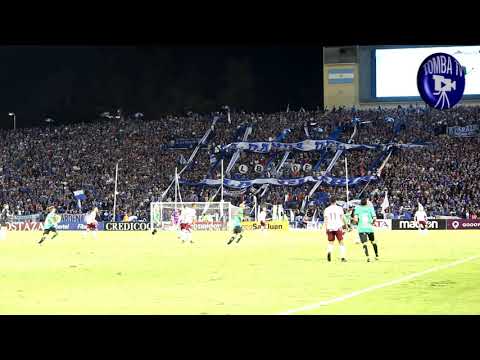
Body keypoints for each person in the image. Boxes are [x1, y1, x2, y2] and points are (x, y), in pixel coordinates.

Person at [353, 197, 379, 262]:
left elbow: (355, 219)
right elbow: (374, 218)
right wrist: (373, 223)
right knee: (373, 242)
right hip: (369, 228)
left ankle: (368, 257)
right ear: (367, 202)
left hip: (361, 228)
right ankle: (376, 255)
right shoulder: (370, 208)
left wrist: (355, 222)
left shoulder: (357, 208)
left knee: (364, 243)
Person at [323, 197, 347, 262]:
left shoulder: (327, 209)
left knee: (330, 242)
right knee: (341, 242)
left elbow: (325, 220)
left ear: (330, 201)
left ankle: (329, 251)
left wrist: (325, 228)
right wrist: (346, 225)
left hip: (330, 227)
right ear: (336, 201)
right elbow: (342, 218)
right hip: (338, 226)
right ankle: (343, 257)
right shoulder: (339, 208)